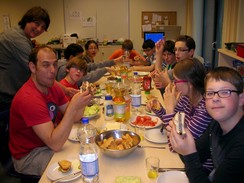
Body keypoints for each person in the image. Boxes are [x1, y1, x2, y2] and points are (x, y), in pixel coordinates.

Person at [9, 46, 93, 176]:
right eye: (46, 65)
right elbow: (55, 144)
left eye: (55, 64)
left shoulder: (52, 86)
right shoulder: (29, 98)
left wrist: (83, 101)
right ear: (32, 67)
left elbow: (75, 117)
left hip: (46, 143)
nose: (53, 70)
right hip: (29, 156)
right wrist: (73, 107)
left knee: (87, 151)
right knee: (78, 168)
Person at [166, 67, 244, 182]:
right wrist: (182, 141)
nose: (215, 98)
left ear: (241, 99)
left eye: (224, 92)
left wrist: (188, 153)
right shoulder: (216, 125)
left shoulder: (241, 147)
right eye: (210, 93)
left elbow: (191, 158)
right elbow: (196, 156)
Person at [146, 58, 213, 171]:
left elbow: (176, 144)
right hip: (181, 159)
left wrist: (169, 108)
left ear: (189, 84)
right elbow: (173, 123)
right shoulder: (186, 98)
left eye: (176, 81)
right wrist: (158, 108)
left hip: (198, 168)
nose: (173, 84)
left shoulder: (204, 110)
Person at [0, 6, 50, 112]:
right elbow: (39, 69)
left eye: (43, 27)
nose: (39, 29)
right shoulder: (16, 39)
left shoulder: (22, 36)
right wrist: (64, 89)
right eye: (36, 23)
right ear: (27, 20)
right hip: (6, 96)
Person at [56, 43, 123, 84]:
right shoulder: (64, 69)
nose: (82, 59)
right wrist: (105, 69)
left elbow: (91, 66)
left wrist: (114, 61)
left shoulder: (72, 64)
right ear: (71, 57)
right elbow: (85, 78)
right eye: (80, 57)